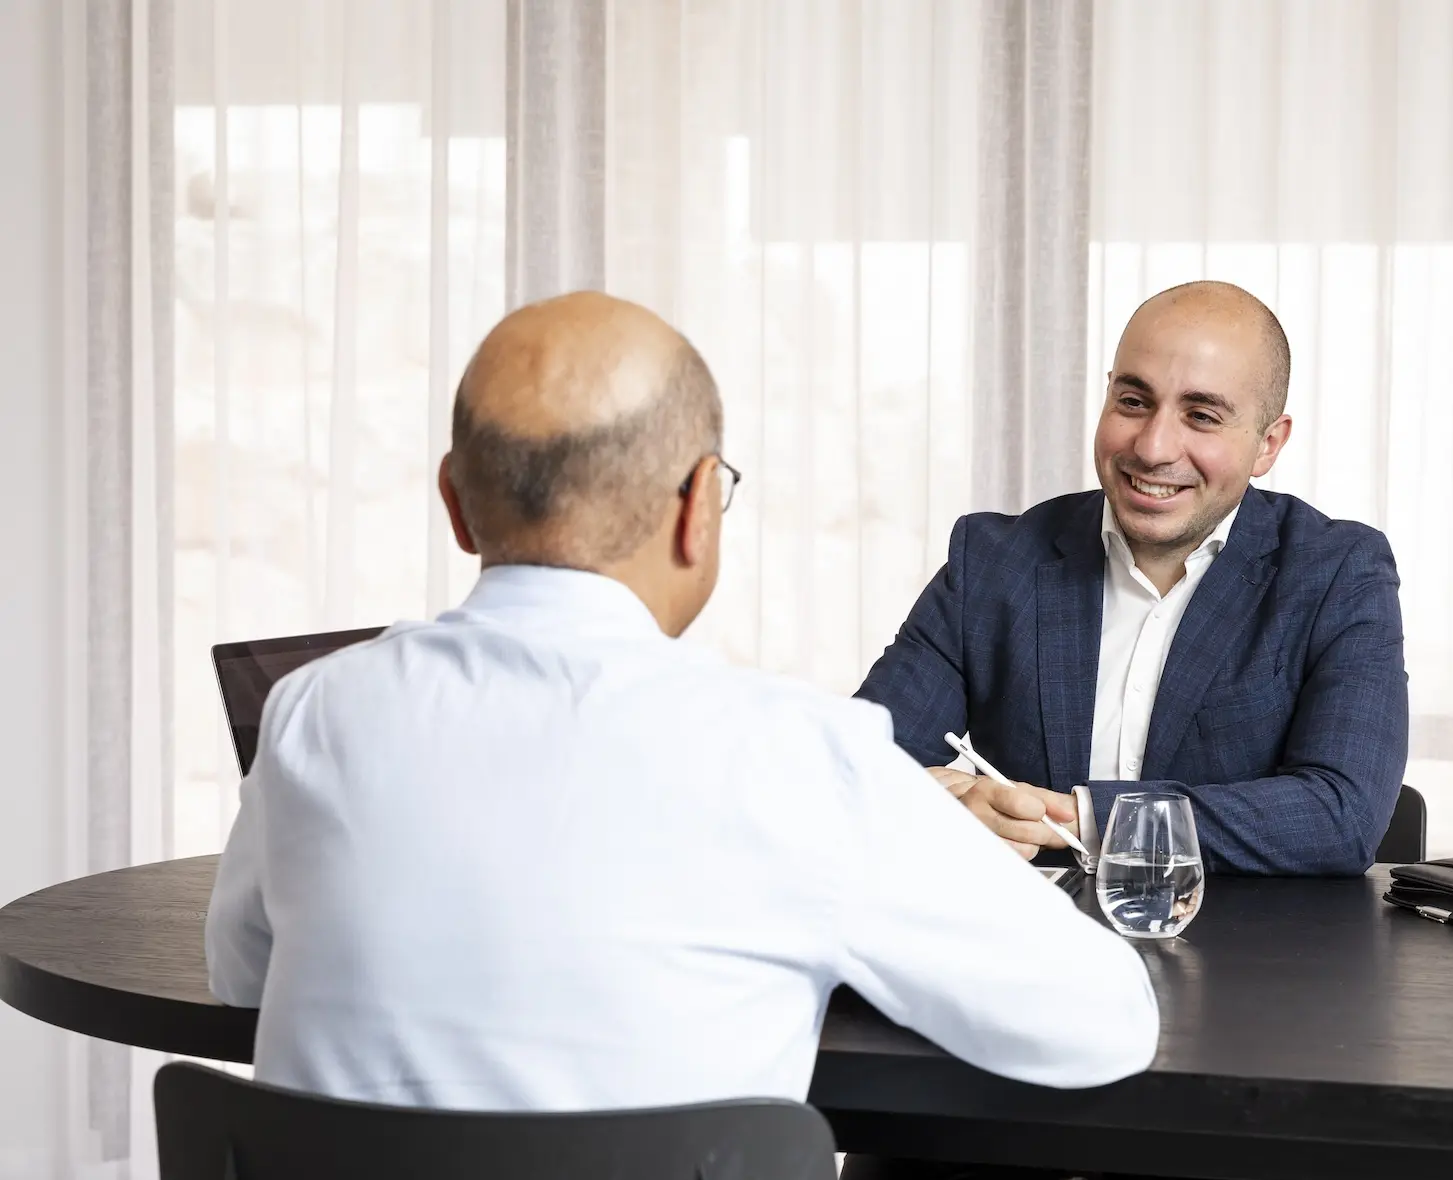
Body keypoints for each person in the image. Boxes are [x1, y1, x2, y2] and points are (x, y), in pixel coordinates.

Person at [205, 291, 1159, 1117]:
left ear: (456, 503)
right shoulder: (801, 758)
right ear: (701, 506)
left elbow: (242, 979)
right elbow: (1102, 1028)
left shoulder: (312, 712)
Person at [846, 282, 1409, 1180]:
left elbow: (1337, 812)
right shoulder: (995, 560)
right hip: (996, 1025)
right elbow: (858, 765)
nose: (1152, 444)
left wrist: (1082, 816)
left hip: (1233, 1046)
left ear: (1268, 440)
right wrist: (947, 800)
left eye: (1201, 414)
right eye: (1130, 398)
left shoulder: (1335, 571)